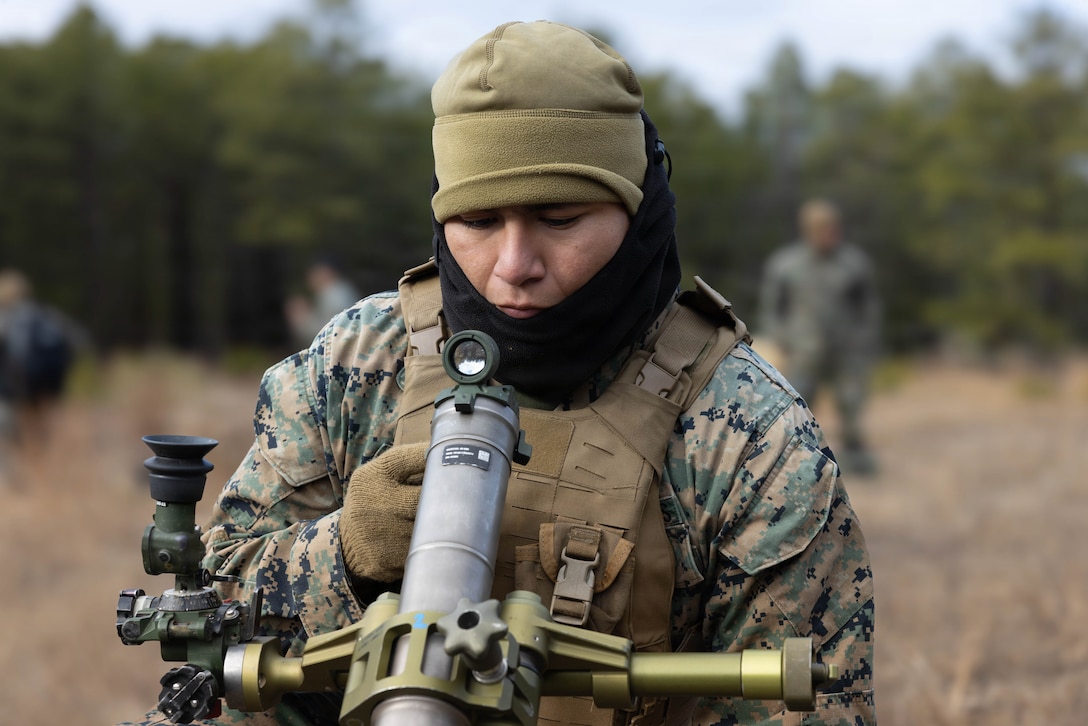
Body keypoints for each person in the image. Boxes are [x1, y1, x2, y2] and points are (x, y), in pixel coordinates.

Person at [123, 21, 874, 725]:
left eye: (560, 219)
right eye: (479, 223)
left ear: (636, 204)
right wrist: (344, 557)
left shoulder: (744, 431)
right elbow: (211, 621)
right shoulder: (360, 363)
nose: (515, 268)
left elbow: (808, 699)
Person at [759, 199, 881, 476]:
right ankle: (798, 464)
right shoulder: (785, 265)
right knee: (799, 409)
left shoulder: (854, 264)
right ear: (808, 230)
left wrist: (864, 341)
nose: (828, 234)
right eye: (821, 228)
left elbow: (868, 307)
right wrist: (783, 340)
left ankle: (856, 460)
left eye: (832, 227)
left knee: (851, 404)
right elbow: (772, 309)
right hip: (804, 351)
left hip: (846, 350)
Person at [0, 268, 81, 449]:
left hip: (12, 393)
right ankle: (41, 468)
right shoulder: (45, 313)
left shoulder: (5, 317)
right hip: (45, 390)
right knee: (40, 437)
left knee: (12, 442)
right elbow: (75, 342)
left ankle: (18, 473)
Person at [283, 255, 361, 347]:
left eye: (314, 272)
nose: (309, 278)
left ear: (326, 272)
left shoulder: (334, 294)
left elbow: (326, 336)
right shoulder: (338, 291)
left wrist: (300, 318)